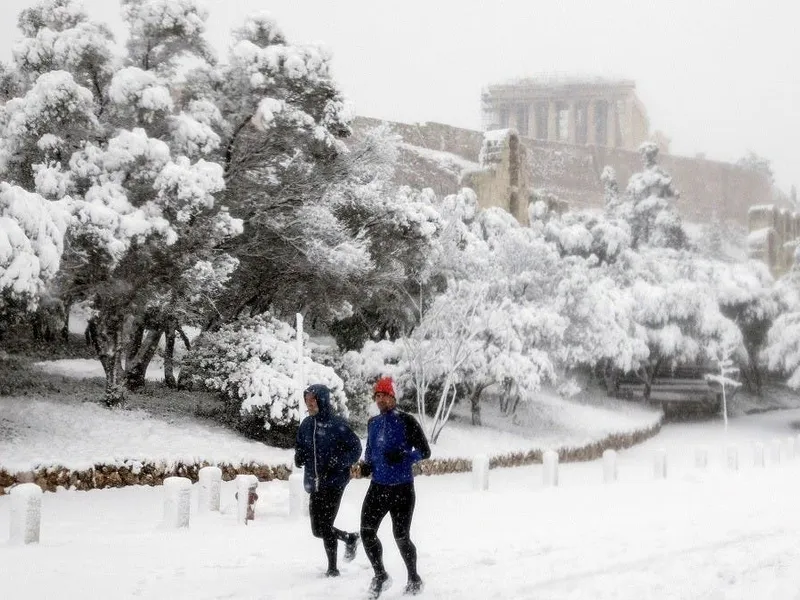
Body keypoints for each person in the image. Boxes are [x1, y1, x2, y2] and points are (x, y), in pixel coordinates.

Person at [357, 376, 431, 598]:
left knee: (401, 536)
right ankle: (380, 575)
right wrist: (366, 465)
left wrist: (404, 456)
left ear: (392, 397)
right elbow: (369, 449)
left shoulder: (407, 421)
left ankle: (414, 578)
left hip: (402, 488)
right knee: (366, 531)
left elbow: (425, 451)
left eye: (384, 396)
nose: (380, 400)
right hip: (378, 487)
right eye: (377, 396)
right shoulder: (373, 423)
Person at [295, 383, 362, 577]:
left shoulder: (337, 424)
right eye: (307, 400)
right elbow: (300, 446)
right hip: (314, 482)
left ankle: (332, 569)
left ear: (322, 400)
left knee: (325, 525)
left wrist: (340, 461)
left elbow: (356, 448)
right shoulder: (306, 424)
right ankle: (349, 538)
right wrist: (299, 456)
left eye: (313, 400)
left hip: (334, 482)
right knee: (317, 530)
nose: (309, 404)